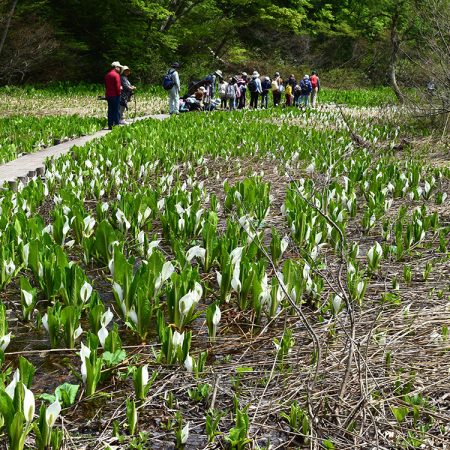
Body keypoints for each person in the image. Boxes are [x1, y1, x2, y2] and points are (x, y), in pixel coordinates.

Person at [105, 61, 122, 129]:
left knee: (110, 110)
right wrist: (119, 93)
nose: (120, 69)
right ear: (116, 67)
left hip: (108, 95)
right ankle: (116, 124)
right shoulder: (116, 75)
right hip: (115, 95)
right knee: (116, 110)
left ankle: (110, 124)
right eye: (119, 67)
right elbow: (117, 86)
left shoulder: (107, 75)